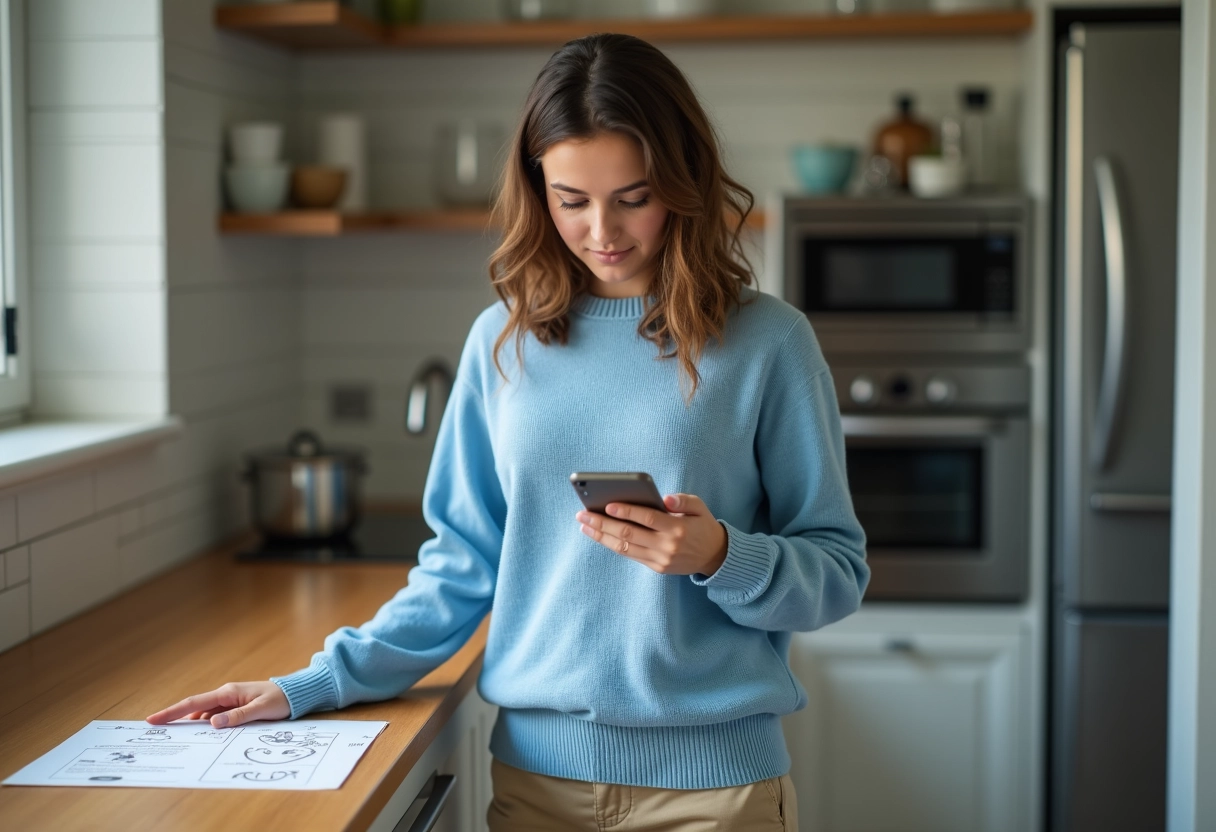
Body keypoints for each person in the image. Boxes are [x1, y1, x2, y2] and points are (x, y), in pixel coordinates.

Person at [147, 33, 868, 831]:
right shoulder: (502, 342)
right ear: (537, 192)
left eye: (633, 197)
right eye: (571, 200)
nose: (603, 230)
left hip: (714, 793)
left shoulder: (769, 342)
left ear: (683, 182)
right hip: (536, 788)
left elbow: (838, 570)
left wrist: (722, 555)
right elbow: (460, 569)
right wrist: (311, 684)